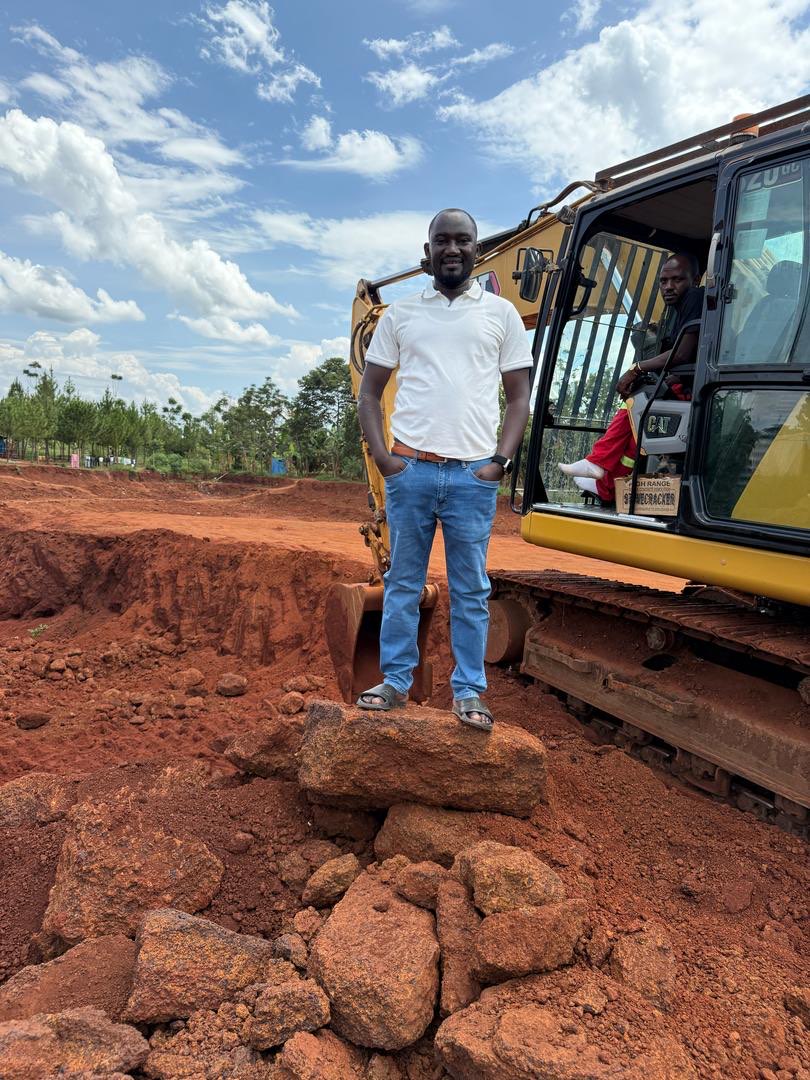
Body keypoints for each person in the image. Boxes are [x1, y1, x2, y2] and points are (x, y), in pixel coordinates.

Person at [355, 208, 533, 731]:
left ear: (477, 248)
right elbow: (368, 393)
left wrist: (500, 462)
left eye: (463, 240)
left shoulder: (500, 315)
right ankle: (394, 682)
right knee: (403, 582)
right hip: (410, 471)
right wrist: (386, 460)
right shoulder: (401, 315)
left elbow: (519, 397)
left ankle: (470, 691)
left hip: (473, 478)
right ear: (427, 252)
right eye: (442, 241)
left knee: (472, 589)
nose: (452, 248)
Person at [559, 253, 704, 502]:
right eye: (663, 281)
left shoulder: (696, 298)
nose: (668, 287)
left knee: (636, 404)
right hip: (686, 383)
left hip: (695, 389)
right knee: (637, 426)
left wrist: (636, 369)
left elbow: (681, 354)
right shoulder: (678, 310)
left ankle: (598, 465)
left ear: (696, 279)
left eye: (677, 280)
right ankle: (606, 481)